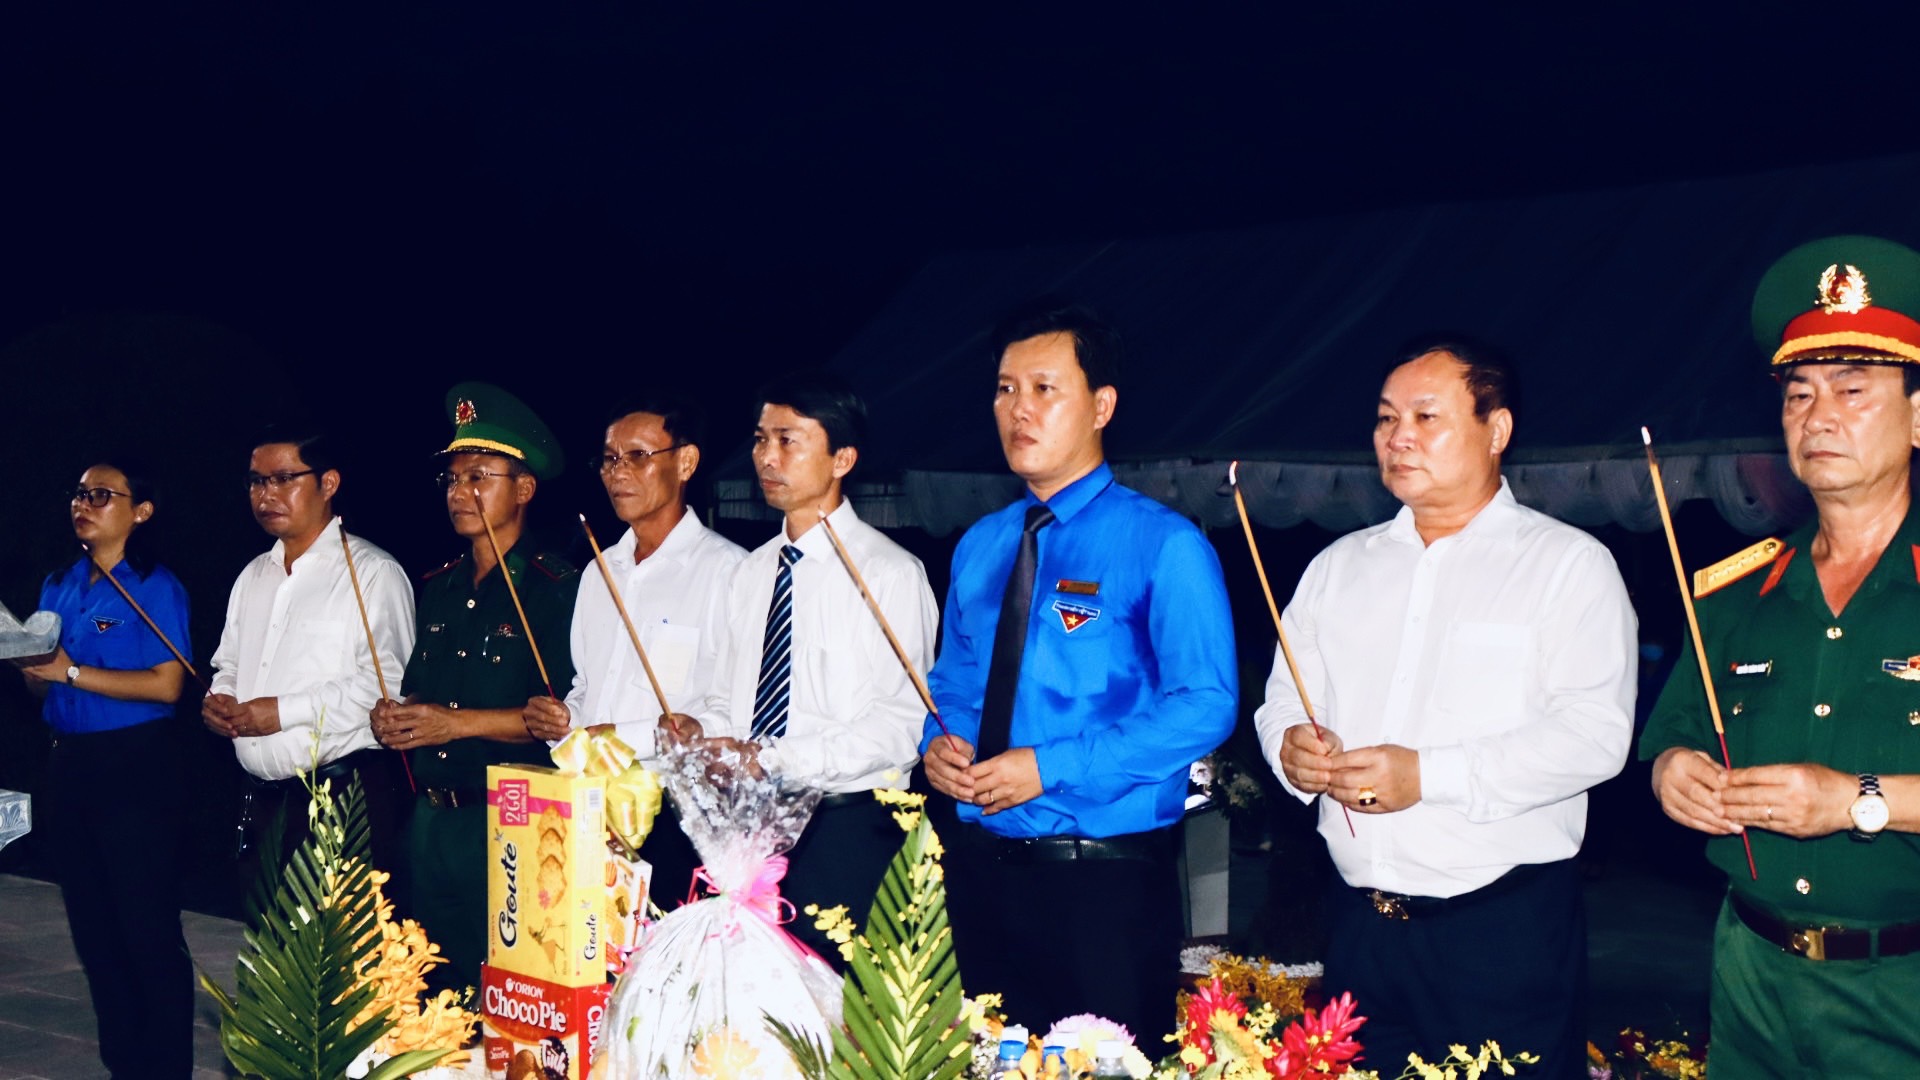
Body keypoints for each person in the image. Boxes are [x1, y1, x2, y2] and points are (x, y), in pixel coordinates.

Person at [1255, 338, 1636, 1078]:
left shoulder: (1567, 565)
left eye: (1426, 417)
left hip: (1498, 930)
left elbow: (1596, 735)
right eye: (1385, 418)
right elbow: (1283, 700)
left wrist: (1427, 775)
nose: (1398, 437)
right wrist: (1291, 746)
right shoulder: (1338, 567)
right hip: (1359, 925)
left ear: (1497, 430)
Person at [920, 302, 1238, 1041]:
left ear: (1101, 406)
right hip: (979, 873)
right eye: (1005, 389)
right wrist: (940, 744)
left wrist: (1049, 767)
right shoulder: (980, 545)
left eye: (1044, 389)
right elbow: (955, 681)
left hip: (1103, 882)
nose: (1018, 410)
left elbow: (1206, 702)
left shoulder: (1164, 545)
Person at [1642, 235, 1920, 1077]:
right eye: (1799, 394)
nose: (1817, 415)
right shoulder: (1734, 594)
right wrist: (1674, 773)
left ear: (1918, 417)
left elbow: (1851, 799)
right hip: (1750, 976)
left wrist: (1855, 800)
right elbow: (1677, 734)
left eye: (1853, 388)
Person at [664, 372, 936, 963]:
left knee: (841, 1005)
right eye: (761, 440)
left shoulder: (889, 573)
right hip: (747, 830)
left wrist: (777, 758)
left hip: (845, 829)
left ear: (842, 459)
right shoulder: (750, 571)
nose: (767, 457)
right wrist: (702, 731)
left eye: (788, 440)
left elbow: (902, 725)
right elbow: (728, 698)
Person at [371, 383, 578, 992]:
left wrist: (453, 724)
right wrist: (398, 717)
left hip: (509, 822)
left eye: (479, 477)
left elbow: (558, 717)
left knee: (509, 992)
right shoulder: (439, 586)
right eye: (453, 479)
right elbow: (421, 693)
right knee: (428, 991)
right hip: (430, 820)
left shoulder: (555, 587)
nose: (459, 493)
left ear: (524, 489)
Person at [523, 396, 744, 903]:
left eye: (638, 456)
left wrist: (620, 737)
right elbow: (587, 687)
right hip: (587, 809)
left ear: (685, 462)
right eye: (609, 459)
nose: (618, 472)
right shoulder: (600, 570)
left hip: (675, 816)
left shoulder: (729, 572)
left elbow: (732, 712)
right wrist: (565, 717)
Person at [13, 458, 194, 1078]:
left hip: (135, 767)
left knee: (145, 930)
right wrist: (32, 669)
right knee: (93, 931)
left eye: (100, 495)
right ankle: (125, 1065)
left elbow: (169, 685)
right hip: (70, 763)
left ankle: (165, 1068)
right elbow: (44, 685)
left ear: (140, 512)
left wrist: (68, 670)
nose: (82, 504)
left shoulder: (155, 587)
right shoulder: (59, 583)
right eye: (78, 494)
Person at [203, 428, 414, 881]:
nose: (266, 494)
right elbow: (229, 663)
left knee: (334, 928)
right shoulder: (254, 575)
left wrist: (280, 713)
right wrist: (220, 699)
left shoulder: (372, 572)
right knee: (263, 924)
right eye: (257, 482)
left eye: (284, 479)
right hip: (260, 801)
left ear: (329, 483)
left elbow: (387, 689)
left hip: (340, 799)